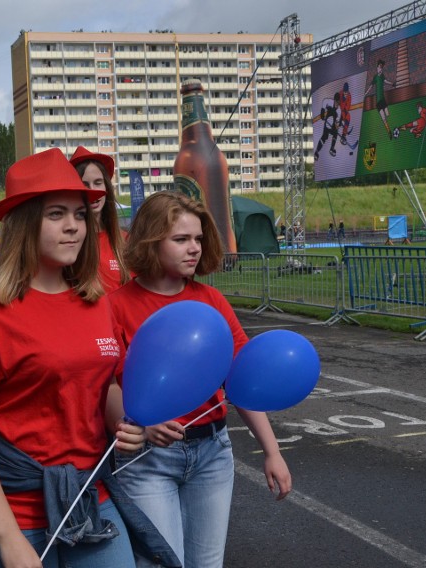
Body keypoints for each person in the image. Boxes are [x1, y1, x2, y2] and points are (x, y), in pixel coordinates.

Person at [0, 148, 167, 568]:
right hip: (14, 513)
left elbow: (104, 382)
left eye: (78, 214)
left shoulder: (97, 303)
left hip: (92, 501)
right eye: (56, 214)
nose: (73, 226)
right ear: (25, 222)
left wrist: (129, 423)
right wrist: (7, 536)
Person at [109, 191, 292, 568]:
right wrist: (140, 421)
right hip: (146, 460)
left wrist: (272, 452)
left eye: (198, 239)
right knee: (164, 562)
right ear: (150, 241)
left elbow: (241, 381)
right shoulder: (115, 305)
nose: (194, 248)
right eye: (180, 239)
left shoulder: (212, 301)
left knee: (206, 563)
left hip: (212, 454)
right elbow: (105, 384)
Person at [70, 145, 130, 293]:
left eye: (98, 183)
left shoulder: (125, 241)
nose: (93, 191)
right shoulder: (68, 242)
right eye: (84, 185)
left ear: (106, 188)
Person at [364, 59, 395, 139]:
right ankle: (389, 132)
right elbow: (371, 86)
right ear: (377, 68)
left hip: (383, 100)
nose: (379, 69)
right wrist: (366, 93)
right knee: (384, 118)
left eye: (380, 68)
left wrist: (392, 84)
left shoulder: (382, 76)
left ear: (382, 69)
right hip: (378, 103)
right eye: (378, 68)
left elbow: (386, 81)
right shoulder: (375, 77)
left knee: (387, 114)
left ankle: (391, 127)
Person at [314, 92, 340, 160]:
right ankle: (316, 152)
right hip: (327, 124)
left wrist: (336, 126)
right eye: (336, 101)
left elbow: (337, 122)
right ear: (334, 100)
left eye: (338, 102)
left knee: (336, 133)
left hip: (333, 126)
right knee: (324, 137)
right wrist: (322, 111)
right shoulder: (329, 102)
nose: (337, 103)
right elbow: (324, 101)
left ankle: (332, 148)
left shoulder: (339, 110)